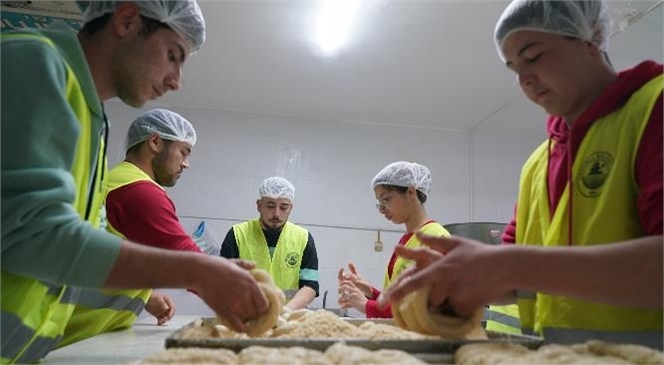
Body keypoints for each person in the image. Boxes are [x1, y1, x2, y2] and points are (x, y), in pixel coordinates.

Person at [381, 0, 663, 349]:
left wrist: (509, 264)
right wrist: (456, 284)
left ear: (590, 39)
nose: (524, 79)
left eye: (534, 56)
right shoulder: (538, 164)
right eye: (514, 68)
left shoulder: (653, 110)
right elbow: (517, 282)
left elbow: (518, 266)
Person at [1, 2, 268, 363]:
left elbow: (80, 244)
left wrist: (147, 294)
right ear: (127, 20)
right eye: (173, 56)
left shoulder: (91, 120)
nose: (176, 80)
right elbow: (33, 234)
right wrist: (201, 272)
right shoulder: (33, 63)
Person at [59, 109, 231, 347]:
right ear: (155, 142)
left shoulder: (117, 180)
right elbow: (191, 265)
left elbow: (107, 255)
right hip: (76, 336)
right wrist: (252, 305)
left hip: (80, 331)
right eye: (184, 152)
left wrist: (144, 296)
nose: (186, 164)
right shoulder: (139, 192)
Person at [337, 161, 450, 318]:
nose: (382, 210)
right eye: (379, 203)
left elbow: (426, 307)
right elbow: (400, 301)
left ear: (411, 192)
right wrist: (369, 292)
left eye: (386, 199)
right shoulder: (408, 239)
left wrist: (366, 306)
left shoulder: (437, 239)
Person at [220, 177, 320, 310]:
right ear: (259, 205)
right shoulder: (237, 234)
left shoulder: (303, 237)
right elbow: (223, 282)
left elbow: (310, 286)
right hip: (246, 318)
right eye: (270, 206)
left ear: (291, 208)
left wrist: (285, 312)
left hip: (288, 318)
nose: (276, 214)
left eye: (283, 207)